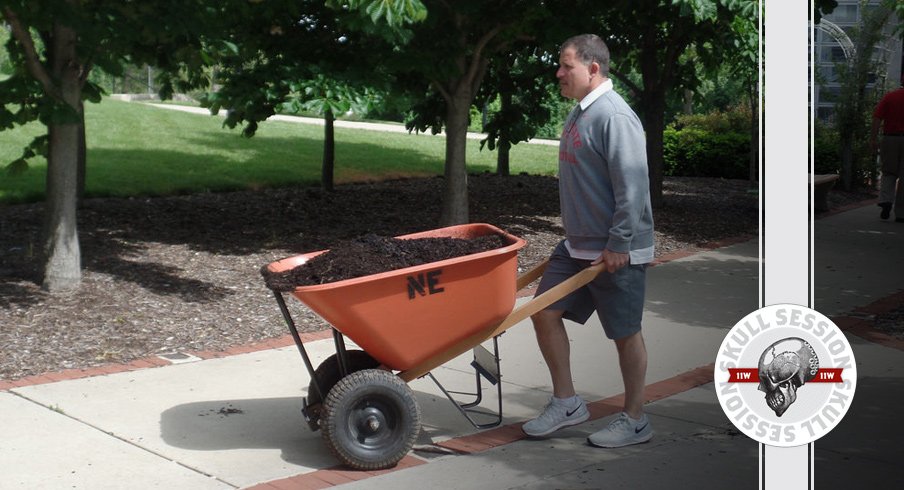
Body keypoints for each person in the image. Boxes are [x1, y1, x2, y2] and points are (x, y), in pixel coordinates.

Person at [521, 34, 655, 448]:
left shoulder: (614, 117)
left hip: (616, 250)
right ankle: (567, 403)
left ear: (593, 69)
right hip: (576, 246)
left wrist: (618, 243)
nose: (558, 73)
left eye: (566, 66)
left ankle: (635, 419)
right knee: (543, 313)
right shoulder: (581, 112)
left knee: (624, 333)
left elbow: (632, 188)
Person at [870, 73, 904, 222]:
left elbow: (877, 117)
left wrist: (873, 139)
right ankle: (901, 213)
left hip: (890, 138)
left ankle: (886, 201)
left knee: (888, 172)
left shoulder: (890, 97)